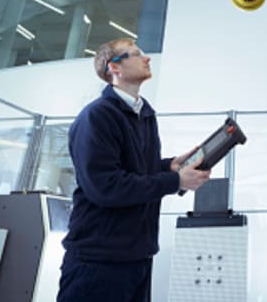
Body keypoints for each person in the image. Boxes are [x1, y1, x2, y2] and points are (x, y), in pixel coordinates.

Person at [57, 38, 211, 302]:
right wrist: (174, 181)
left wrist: (170, 166)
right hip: (98, 261)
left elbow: (137, 171)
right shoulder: (97, 117)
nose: (147, 58)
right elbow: (106, 187)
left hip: (138, 256)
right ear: (113, 68)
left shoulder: (145, 115)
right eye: (136, 54)